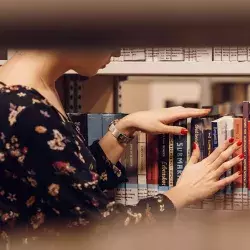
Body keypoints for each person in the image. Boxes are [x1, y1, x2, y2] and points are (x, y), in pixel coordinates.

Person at [0, 49, 243, 249]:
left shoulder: (27, 88)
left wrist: (125, 128)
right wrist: (183, 193)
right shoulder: (27, 110)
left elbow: (64, 185)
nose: (117, 51)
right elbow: (98, 228)